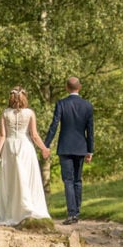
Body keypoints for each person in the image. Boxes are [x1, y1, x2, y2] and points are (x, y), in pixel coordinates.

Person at [0, 86, 53, 226]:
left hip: (10, 147)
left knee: (11, 180)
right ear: (24, 98)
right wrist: (44, 148)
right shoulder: (30, 113)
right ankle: (27, 208)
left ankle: (11, 212)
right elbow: (34, 135)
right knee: (26, 177)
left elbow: (2, 136)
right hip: (25, 147)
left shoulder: (5, 113)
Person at [44, 76, 94, 225]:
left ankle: (72, 214)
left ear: (67, 88)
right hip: (81, 147)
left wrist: (46, 144)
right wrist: (90, 151)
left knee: (68, 181)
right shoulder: (87, 105)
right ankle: (76, 212)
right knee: (77, 180)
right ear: (79, 87)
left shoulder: (61, 103)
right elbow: (90, 130)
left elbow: (54, 125)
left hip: (65, 147)